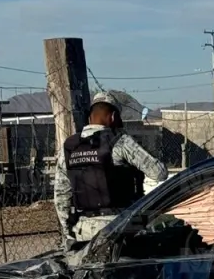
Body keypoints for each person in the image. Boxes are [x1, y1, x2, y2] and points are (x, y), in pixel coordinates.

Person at [54, 92, 167, 248]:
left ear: (89, 118)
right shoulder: (119, 141)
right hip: (119, 228)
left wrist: (68, 233)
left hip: (83, 230)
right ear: (113, 117)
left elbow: (61, 196)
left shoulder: (69, 146)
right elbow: (159, 173)